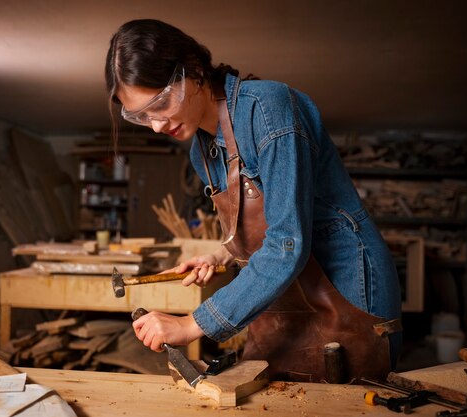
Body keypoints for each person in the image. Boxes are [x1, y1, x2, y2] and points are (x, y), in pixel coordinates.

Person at [105, 19, 402, 382]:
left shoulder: (270, 110)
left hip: (344, 283)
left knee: (351, 397)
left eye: (161, 102)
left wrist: (191, 324)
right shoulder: (202, 153)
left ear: (195, 71)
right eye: (141, 116)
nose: (156, 125)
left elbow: (285, 244)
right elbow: (266, 225)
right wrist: (223, 253)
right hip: (286, 289)